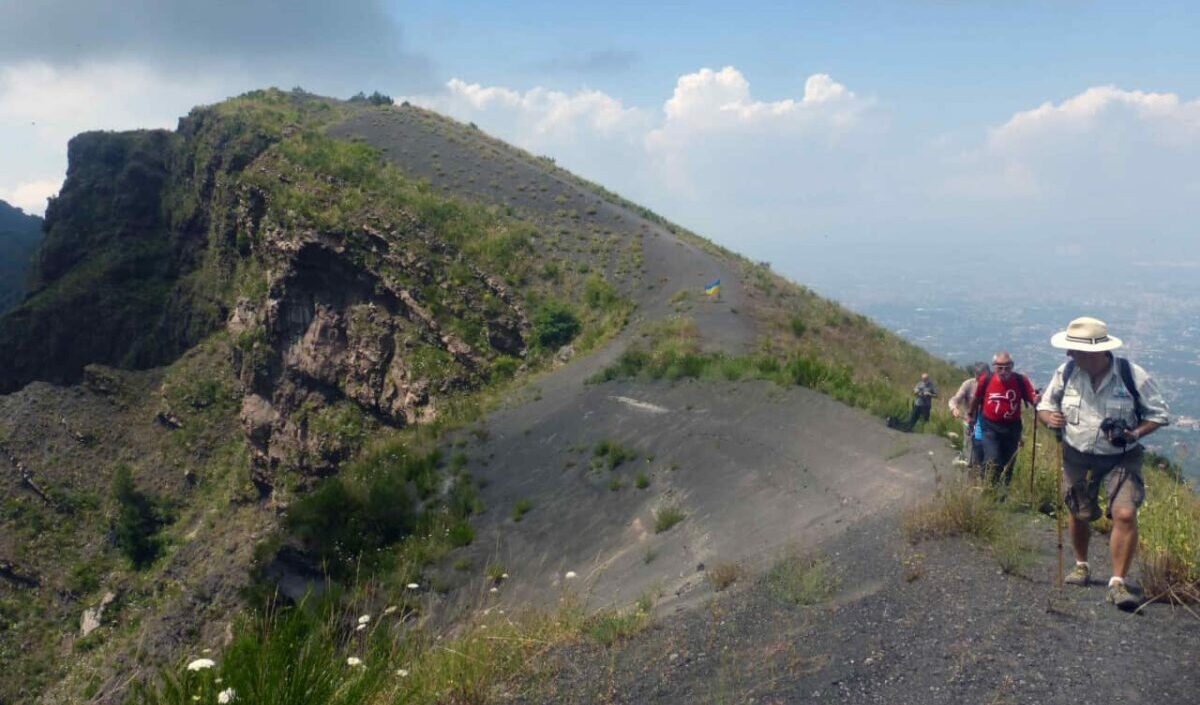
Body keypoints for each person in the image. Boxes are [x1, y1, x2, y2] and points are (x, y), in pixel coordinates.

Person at [1036, 317, 1169, 611]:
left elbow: (1158, 413)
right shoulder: (1068, 371)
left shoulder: (1131, 375)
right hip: (1076, 453)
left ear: (1096, 352)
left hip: (1122, 456)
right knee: (1078, 510)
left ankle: (1117, 583)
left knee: (1124, 513)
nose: (1070, 355)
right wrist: (1049, 419)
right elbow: (1045, 404)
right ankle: (1081, 565)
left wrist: (1133, 433)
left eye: (1076, 350)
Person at [967, 352, 1038, 486]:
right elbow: (977, 397)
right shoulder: (986, 379)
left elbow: (1032, 398)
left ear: (1012, 366)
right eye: (1000, 367)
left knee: (1008, 461)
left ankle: (1002, 493)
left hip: (1012, 428)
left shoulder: (1021, 381)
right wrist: (970, 413)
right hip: (990, 426)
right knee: (993, 459)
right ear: (994, 367)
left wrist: (1037, 399)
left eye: (1007, 367)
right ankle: (988, 487)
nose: (1004, 371)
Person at [949, 362, 989, 468]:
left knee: (984, 450)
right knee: (969, 447)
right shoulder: (969, 384)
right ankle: (968, 469)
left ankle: (980, 471)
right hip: (970, 422)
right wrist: (954, 408)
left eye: (983, 375)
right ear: (975, 374)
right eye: (978, 375)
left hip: (987, 424)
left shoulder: (992, 385)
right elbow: (955, 399)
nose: (980, 378)